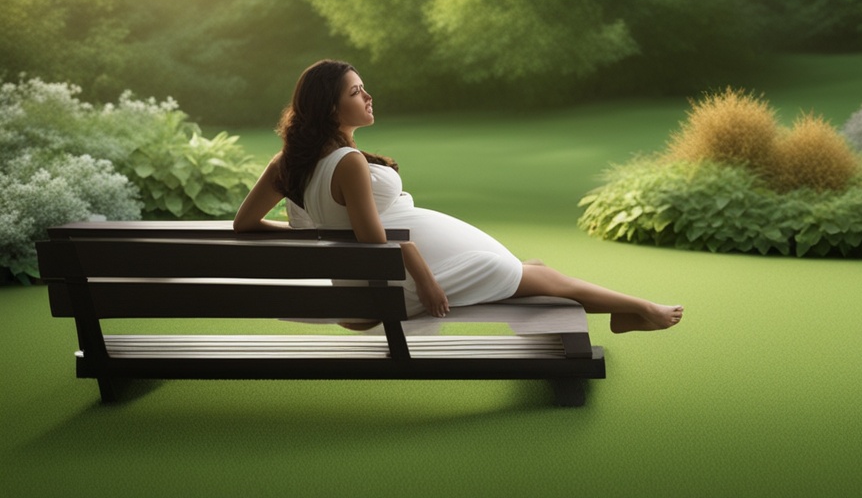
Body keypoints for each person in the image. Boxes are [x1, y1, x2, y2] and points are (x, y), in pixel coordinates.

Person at [234, 59, 683, 333]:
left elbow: (245, 224)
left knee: (537, 269)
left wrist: (317, 236)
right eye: (356, 92)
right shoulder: (346, 163)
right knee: (526, 275)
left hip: (370, 287)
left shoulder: (286, 164)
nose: (369, 96)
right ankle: (639, 307)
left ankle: (623, 313)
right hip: (389, 290)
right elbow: (374, 244)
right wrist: (421, 271)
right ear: (332, 109)